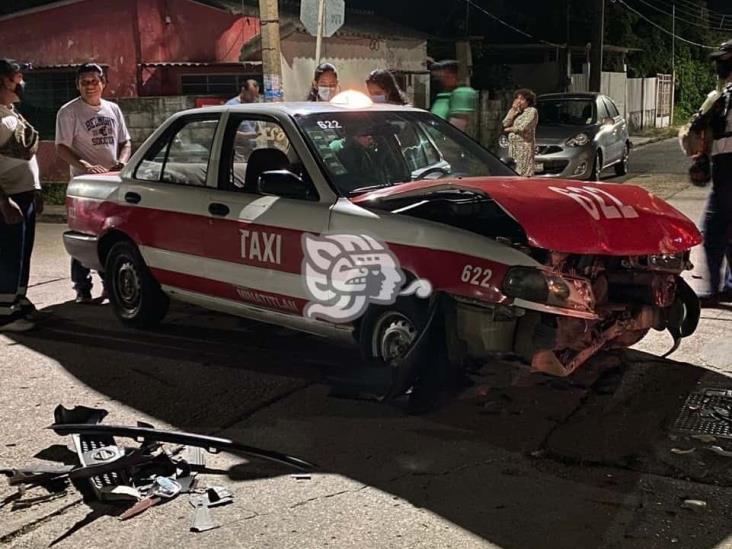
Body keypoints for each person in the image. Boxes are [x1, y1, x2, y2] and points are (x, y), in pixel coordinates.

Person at [55, 62, 131, 304]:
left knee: (108, 233)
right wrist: (86, 166)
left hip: (110, 183)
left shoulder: (113, 109)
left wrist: (122, 161)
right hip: (84, 186)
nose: (90, 86)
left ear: (103, 83)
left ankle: (109, 285)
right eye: (84, 82)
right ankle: (82, 287)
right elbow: (61, 147)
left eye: (94, 81)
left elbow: (125, 141)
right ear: (77, 85)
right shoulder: (69, 112)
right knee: (83, 235)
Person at [683, 40, 732, 306]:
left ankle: (714, 290)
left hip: (728, 171)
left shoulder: (723, 97)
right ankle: (726, 286)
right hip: (725, 169)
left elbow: (696, 129)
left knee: (714, 231)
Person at [0, 59, 41, 332]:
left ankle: (17, 299)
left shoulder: (11, 111)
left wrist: (36, 190)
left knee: (22, 254)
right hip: (9, 196)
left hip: (25, 194)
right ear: (4, 79)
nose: (22, 80)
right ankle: (4, 314)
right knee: (7, 255)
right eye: (17, 76)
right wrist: (3, 201)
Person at [429, 60, 477, 133]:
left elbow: (456, 129)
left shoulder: (461, 93)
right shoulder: (442, 94)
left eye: (447, 74)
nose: (442, 78)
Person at [502, 88, 539, 177]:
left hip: (524, 147)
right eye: (517, 99)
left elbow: (523, 127)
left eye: (522, 99)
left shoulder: (531, 111)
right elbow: (505, 123)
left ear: (528, 101)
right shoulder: (516, 111)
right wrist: (513, 111)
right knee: (513, 171)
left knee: (523, 172)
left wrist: (511, 129)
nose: (519, 101)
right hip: (513, 147)